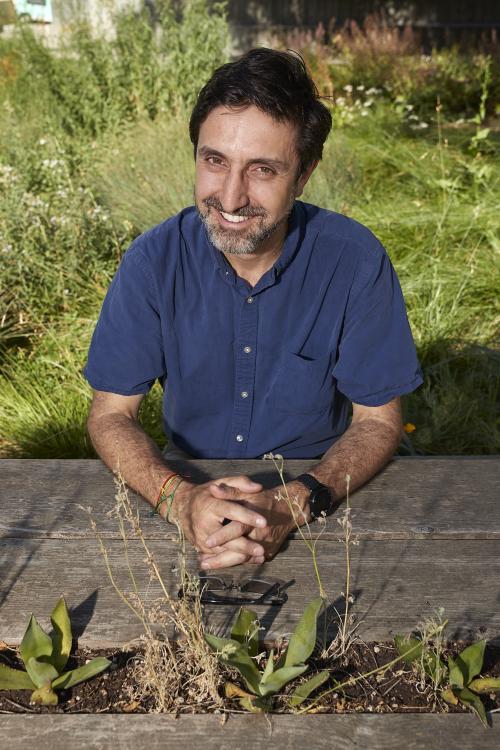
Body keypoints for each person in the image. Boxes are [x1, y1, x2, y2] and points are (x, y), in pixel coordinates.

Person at [84, 48, 422, 570]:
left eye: (262, 169)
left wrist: (294, 502)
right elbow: (110, 415)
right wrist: (179, 498)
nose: (231, 197)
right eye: (214, 160)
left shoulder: (354, 260)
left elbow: (378, 422)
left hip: (327, 491)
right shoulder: (154, 259)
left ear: (305, 174)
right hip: (182, 488)